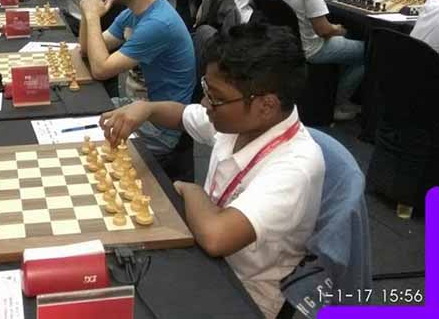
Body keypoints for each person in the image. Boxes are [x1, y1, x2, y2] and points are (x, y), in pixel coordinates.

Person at [98, 22, 324, 319]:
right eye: (205, 89)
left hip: (245, 290)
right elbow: (182, 115)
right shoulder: (240, 121)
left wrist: (191, 190)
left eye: (214, 96)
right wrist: (147, 109)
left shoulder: (297, 167)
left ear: (266, 105)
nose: (205, 103)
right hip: (201, 249)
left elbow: (217, 236)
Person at [78, 0, 196, 161]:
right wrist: (88, 16)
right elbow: (87, 50)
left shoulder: (159, 23)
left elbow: (100, 69)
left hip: (159, 128)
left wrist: (93, 17)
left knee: (78, 147)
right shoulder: (133, 12)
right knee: (77, 114)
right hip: (134, 109)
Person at [261, 0, 364, 120]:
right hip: (311, 49)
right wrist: (340, 30)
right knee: (366, 52)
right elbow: (323, 29)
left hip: (279, 45)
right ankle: (339, 104)